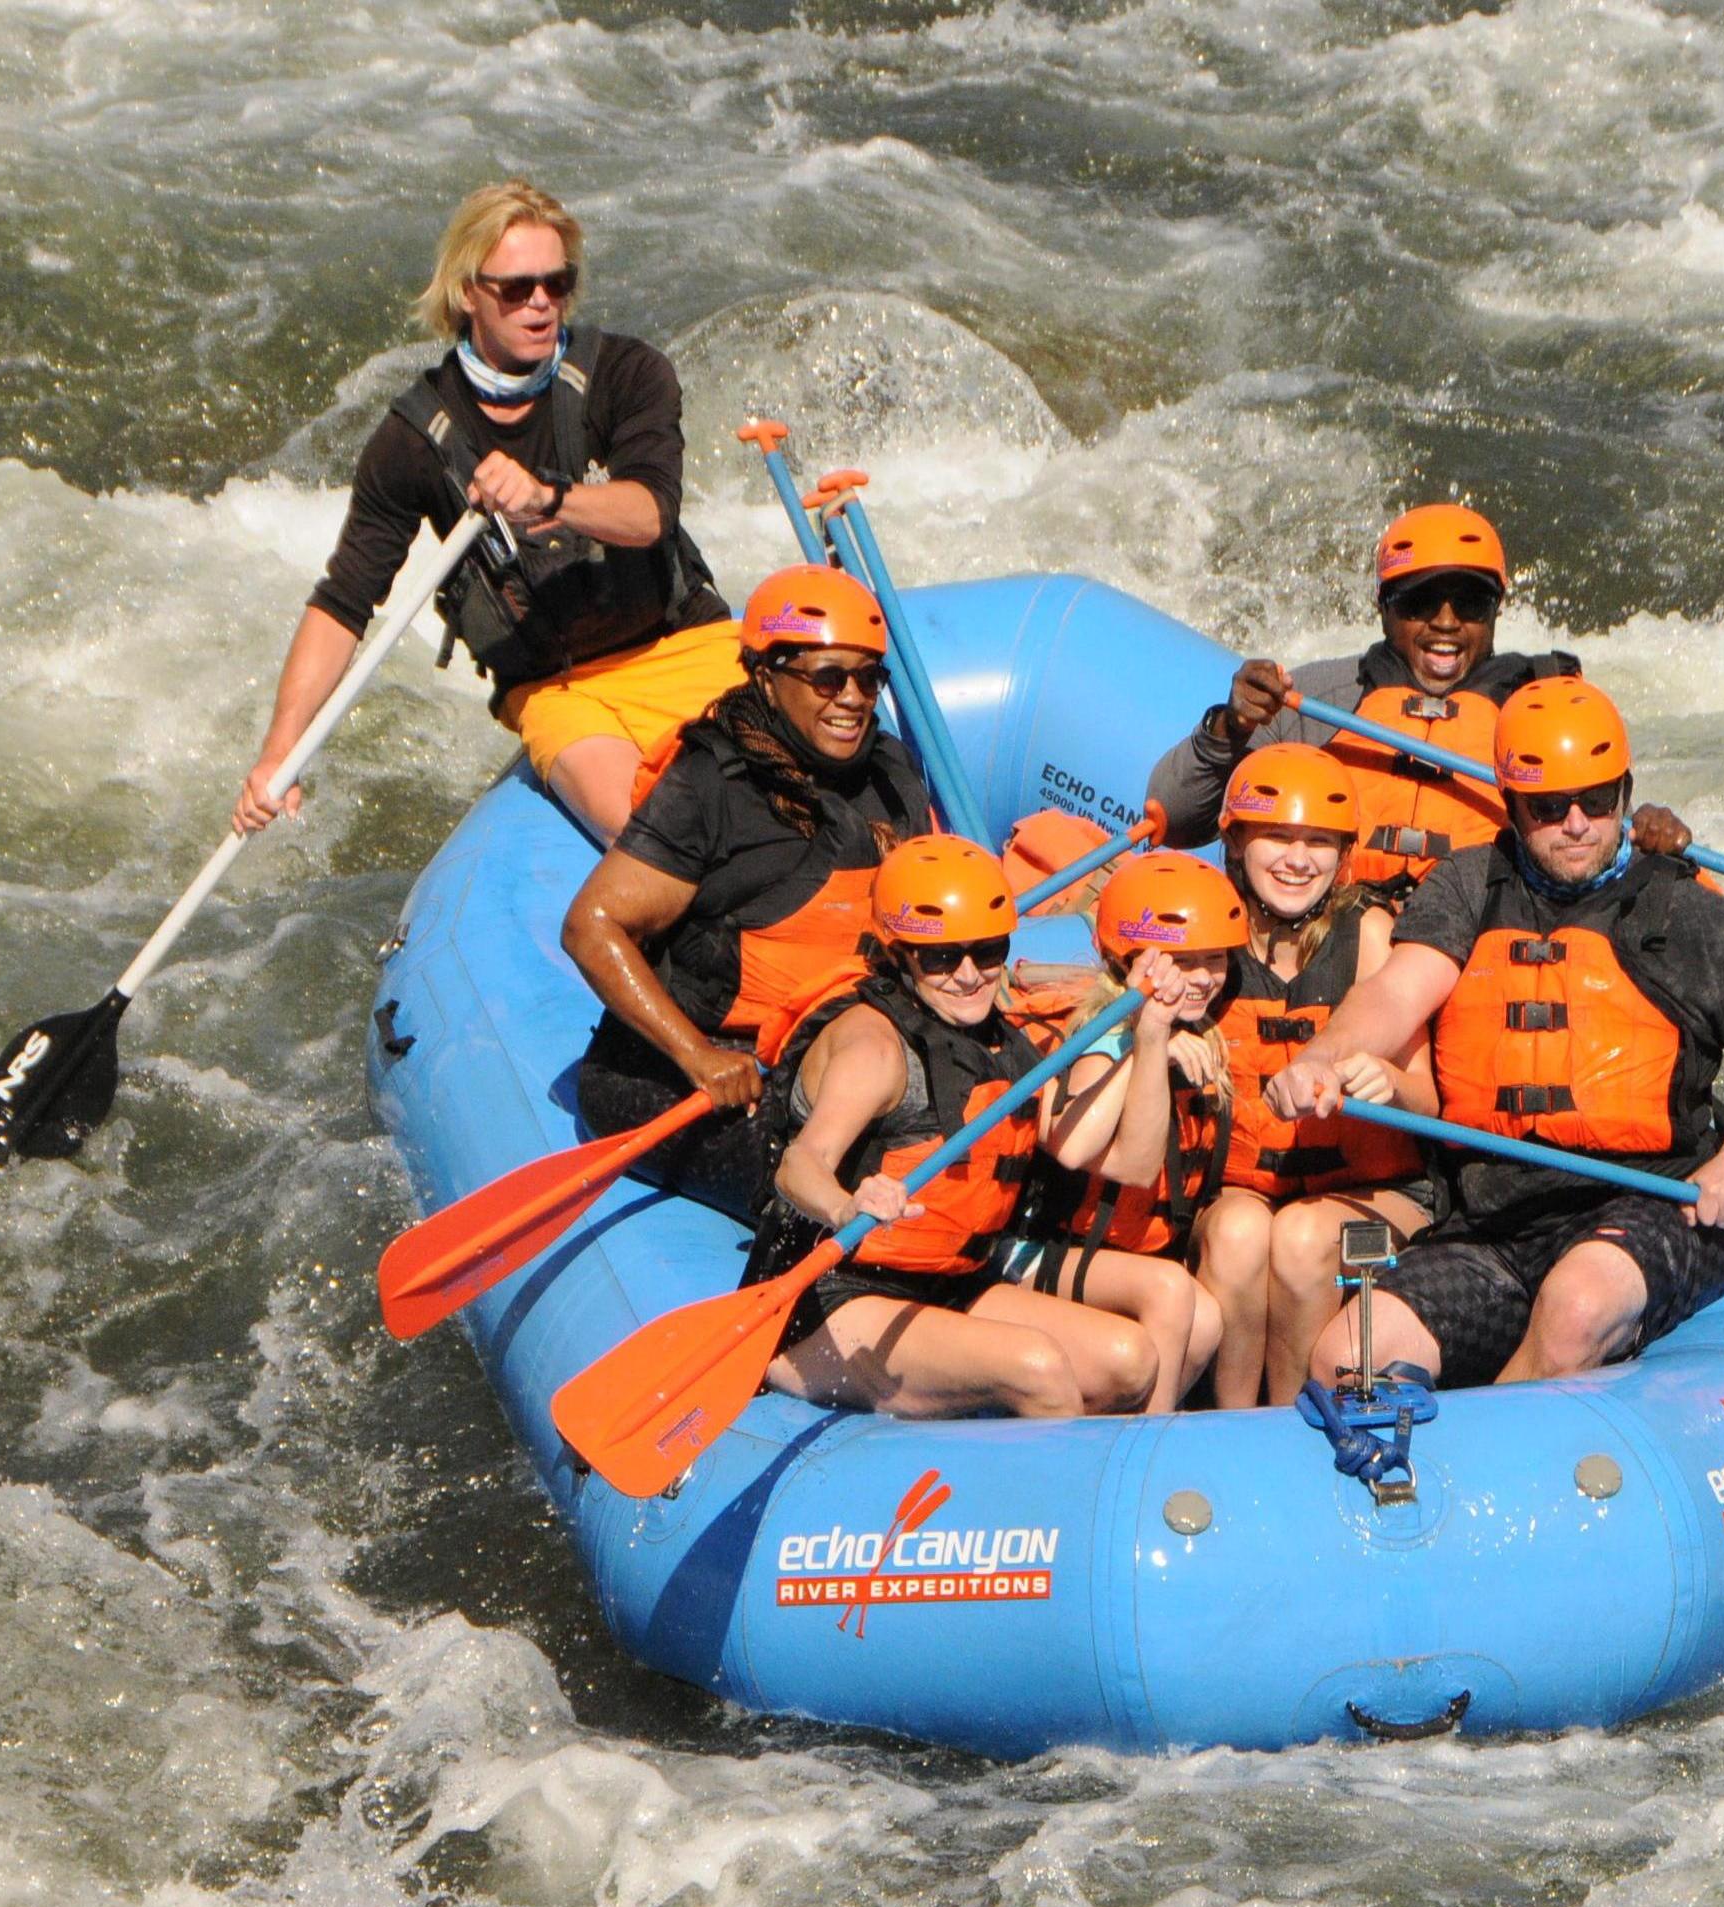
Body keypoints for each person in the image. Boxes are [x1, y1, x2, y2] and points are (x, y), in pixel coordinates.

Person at [1267, 677, 1724, 1391]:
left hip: (1654, 1205)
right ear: (1510, 804)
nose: (1576, 823)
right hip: (1494, 1221)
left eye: (1597, 800)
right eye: (1549, 806)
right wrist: (1322, 1056)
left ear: (1625, 793)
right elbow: (1393, 992)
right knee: (1346, 1358)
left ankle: (1487, 1437)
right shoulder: (1470, 886)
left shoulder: (1687, 914)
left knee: (1574, 1310)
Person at [235, 179, 736, 847]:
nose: (541, 303)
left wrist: (549, 498)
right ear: (467, 292)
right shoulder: (414, 440)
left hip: (685, 643)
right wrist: (280, 752)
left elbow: (649, 514)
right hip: (560, 691)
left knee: (773, 801)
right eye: (517, 288)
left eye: (557, 283)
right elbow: (343, 604)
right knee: (656, 837)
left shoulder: (626, 373)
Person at [560, 566, 930, 1219]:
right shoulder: (710, 784)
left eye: (868, 678)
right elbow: (591, 926)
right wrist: (699, 1057)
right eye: (828, 678)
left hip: (841, 1053)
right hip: (690, 1071)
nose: (852, 698)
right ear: (766, 677)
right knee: (857, 1174)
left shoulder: (890, 769)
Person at [748, 836, 1158, 1420]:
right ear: (899, 955)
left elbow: (1131, 1165)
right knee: (1039, 1369)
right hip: (834, 1295)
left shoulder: (996, 1039)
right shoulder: (873, 1047)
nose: (969, 976)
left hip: (948, 1283)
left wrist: (1151, 1030)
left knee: (1130, 1359)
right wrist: (845, 1205)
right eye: (941, 958)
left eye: (988, 952)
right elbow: (799, 1163)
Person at [1147, 504, 1693, 901]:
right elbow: (1173, 818)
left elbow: (1590, 839)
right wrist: (1229, 728)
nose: (1446, 622)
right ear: (1384, 607)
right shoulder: (1312, 700)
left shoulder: (1544, 714)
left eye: (1471, 602)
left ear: (1497, 610)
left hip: (1475, 946)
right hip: (1332, 936)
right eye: (1420, 600)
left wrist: (1646, 837)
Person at [1186, 746, 1435, 1406]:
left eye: (1319, 842)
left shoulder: (1371, 933)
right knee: (1239, 1235)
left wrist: (1390, 1083)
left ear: (1344, 853)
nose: (1298, 860)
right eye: (1278, 836)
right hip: (1244, 1190)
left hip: (1377, 1193)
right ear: (1236, 841)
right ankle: (1232, 1426)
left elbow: (1428, 1099)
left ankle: (1294, 1419)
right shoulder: (1205, 935)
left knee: (1300, 1238)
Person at [1008, 853, 1242, 1412]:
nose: (1203, 978)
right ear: (1127, 959)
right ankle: (1150, 1444)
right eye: (1183, 961)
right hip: (1031, 1248)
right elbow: (1077, 1149)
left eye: (1214, 958)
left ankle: (1122, 1432)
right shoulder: (1102, 1036)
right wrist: (1146, 1039)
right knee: (1169, 1290)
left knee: (1206, 1321)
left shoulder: (1199, 1031)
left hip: (1105, 1251)